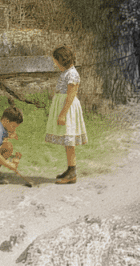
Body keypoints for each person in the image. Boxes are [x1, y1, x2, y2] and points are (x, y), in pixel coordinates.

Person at [45, 46, 88, 184]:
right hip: (63, 106)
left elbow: (71, 95)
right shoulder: (66, 72)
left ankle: (72, 172)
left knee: (69, 141)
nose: (55, 64)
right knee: (67, 141)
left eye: (55, 61)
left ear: (61, 60)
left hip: (67, 108)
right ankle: (70, 169)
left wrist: (62, 114)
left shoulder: (72, 74)